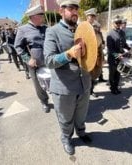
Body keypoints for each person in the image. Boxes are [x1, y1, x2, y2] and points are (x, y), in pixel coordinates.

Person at [44, 0, 92, 155]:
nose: (75, 12)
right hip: (64, 87)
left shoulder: (82, 29)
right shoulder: (53, 31)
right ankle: (66, 138)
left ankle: (81, 132)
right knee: (65, 119)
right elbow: (49, 61)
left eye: (76, 9)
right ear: (61, 11)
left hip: (84, 83)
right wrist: (68, 54)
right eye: (70, 9)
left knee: (81, 114)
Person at [14, 4, 50, 113]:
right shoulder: (23, 29)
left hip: (49, 61)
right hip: (34, 64)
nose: (43, 17)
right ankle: (44, 101)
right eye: (41, 15)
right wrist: (27, 58)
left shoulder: (45, 28)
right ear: (34, 16)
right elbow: (17, 46)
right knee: (38, 85)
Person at [84, 8, 106, 97]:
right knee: (85, 77)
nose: (92, 18)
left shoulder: (96, 28)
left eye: (94, 16)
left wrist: (102, 58)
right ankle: (85, 93)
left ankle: (91, 91)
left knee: (93, 76)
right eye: (91, 16)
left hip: (96, 56)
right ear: (87, 16)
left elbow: (100, 44)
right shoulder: (83, 27)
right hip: (86, 57)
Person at [107, 15, 130, 94]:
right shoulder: (110, 34)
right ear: (113, 23)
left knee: (118, 73)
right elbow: (110, 48)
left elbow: (124, 43)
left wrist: (129, 48)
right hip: (113, 57)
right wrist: (117, 55)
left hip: (121, 57)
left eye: (120, 22)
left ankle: (116, 87)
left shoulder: (122, 32)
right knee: (112, 74)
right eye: (116, 23)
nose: (118, 24)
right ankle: (112, 88)